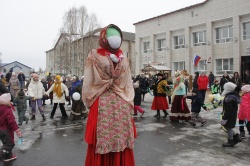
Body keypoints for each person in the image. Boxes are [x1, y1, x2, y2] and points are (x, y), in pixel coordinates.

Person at [82, 24, 136, 166]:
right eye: (112, 36)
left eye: (117, 36)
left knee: (119, 138)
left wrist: (88, 99)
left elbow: (89, 82)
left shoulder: (122, 57)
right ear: (104, 38)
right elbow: (89, 79)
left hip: (113, 102)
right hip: (109, 102)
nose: (115, 39)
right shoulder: (95, 54)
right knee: (107, 139)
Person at [0, 93, 22, 162]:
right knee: (9, 144)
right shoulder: (7, 110)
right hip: (6, 130)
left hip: (1, 130)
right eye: (9, 101)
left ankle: (8, 157)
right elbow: (11, 122)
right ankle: (1, 154)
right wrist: (17, 131)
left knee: (6, 143)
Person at [221, 82, 241, 147]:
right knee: (228, 127)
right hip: (232, 114)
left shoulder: (230, 98)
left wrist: (225, 118)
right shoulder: (232, 95)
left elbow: (228, 109)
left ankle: (231, 141)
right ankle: (236, 137)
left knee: (228, 127)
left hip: (230, 115)